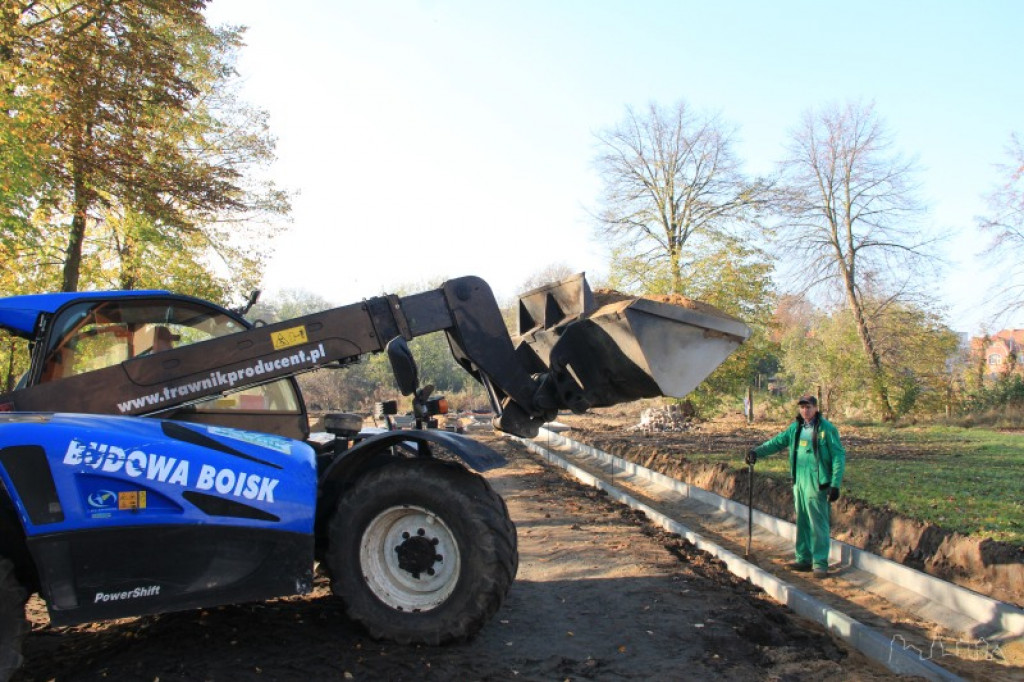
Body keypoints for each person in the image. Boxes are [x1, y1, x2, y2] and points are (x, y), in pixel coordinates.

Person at [745, 394, 845, 579]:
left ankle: (820, 564)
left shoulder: (826, 429)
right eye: (802, 407)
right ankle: (803, 559)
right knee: (803, 520)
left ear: (815, 408)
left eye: (808, 407)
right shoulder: (796, 428)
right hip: (799, 480)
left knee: (818, 523)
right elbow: (777, 442)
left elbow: (839, 456)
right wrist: (756, 452)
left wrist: (835, 484)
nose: (805, 410)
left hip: (817, 482)